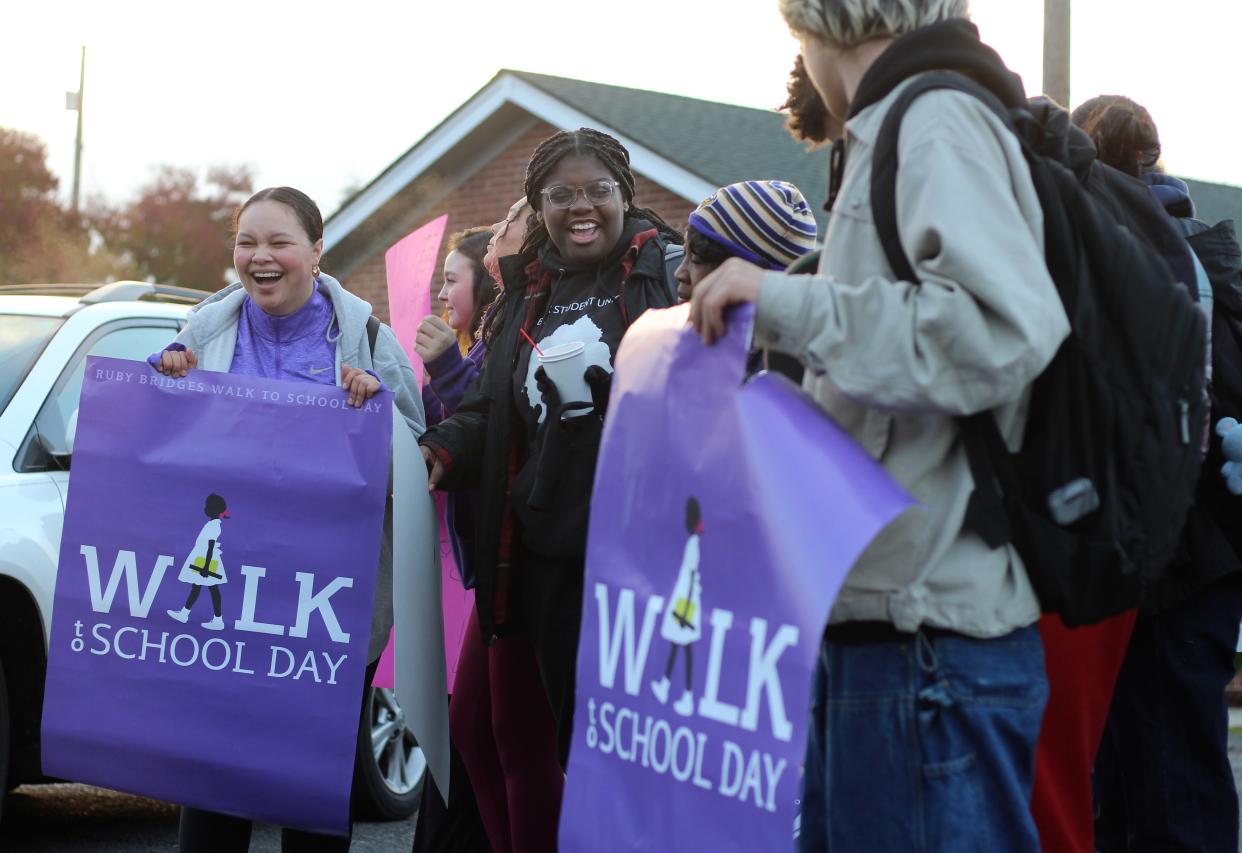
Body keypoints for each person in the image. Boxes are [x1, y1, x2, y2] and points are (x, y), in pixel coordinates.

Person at [690, 4, 1069, 850]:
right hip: (888, 627)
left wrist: (779, 298)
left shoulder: (932, 121)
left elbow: (1000, 331)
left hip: (927, 643)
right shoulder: (892, 129)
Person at [151, 186, 426, 853]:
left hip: (328, 609)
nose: (260, 256)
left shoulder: (364, 341)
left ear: (316, 251)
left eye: (279, 241)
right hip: (228, 608)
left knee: (310, 797)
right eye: (247, 242)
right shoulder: (203, 332)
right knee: (214, 786)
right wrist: (158, 375)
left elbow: (419, 465)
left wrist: (376, 413)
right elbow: (144, 442)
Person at [419, 128, 680, 774]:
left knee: (640, 746)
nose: (581, 206)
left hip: (641, 556)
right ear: (539, 208)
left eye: (598, 190)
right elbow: (489, 409)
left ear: (626, 194)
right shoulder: (525, 293)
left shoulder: (671, 271)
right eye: (561, 195)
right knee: (569, 747)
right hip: (545, 556)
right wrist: (441, 451)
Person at [1074, 94, 1242, 853]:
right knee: (1185, 769)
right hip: (1211, 554)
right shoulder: (1212, 254)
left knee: (1127, 777)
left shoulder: (1106, 249)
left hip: (1136, 553)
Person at [415, 198, 566, 853]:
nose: (443, 290)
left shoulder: (548, 317)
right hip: (494, 573)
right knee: (475, 727)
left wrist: (448, 368)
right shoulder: (511, 316)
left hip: (534, 562)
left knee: (514, 740)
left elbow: (507, 424)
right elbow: (471, 422)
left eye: (453, 277)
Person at [167, 493, 230, 628]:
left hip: (207, 561)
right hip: (202, 559)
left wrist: (206, 567)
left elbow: (210, 546)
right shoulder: (211, 524)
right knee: (199, 588)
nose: (205, 508)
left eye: (207, 506)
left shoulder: (214, 526)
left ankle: (218, 620)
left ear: (213, 509)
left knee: (212, 589)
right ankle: (185, 614)